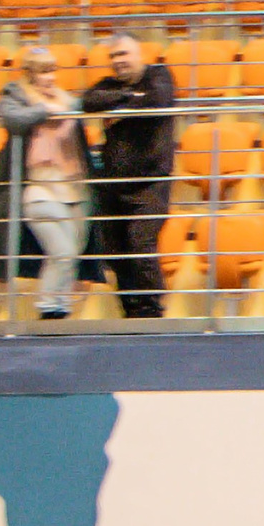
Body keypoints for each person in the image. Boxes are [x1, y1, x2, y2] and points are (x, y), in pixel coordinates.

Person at [0, 49, 94, 321]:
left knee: (71, 255)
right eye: (44, 71)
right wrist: (44, 111)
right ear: (31, 75)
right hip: (39, 187)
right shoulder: (17, 96)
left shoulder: (66, 99)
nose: (50, 77)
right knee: (63, 251)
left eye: (52, 70)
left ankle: (60, 309)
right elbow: (12, 120)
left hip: (72, 186)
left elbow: (85, 109)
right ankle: (47, 307)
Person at [80, 34, 177, 319]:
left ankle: (152, 308)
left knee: (140, 241)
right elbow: (89, 100)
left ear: (139, 54)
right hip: (112, 185)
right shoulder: (111, 85)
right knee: (115, 250)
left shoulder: (158, 75)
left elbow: (158, 101)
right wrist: (128, 97)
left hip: (150, 183)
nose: (119, 61)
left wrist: (120, 107)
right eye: (114, 56)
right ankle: (131, 308)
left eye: (124, 54)